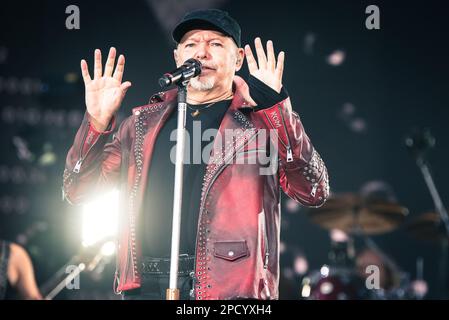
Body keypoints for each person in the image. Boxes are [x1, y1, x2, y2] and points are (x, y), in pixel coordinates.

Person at [62, 8, 329, 300]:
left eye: (215, 44)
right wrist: (96, 124)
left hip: (227, 286)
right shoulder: (141, 124)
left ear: (238, 58)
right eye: (191, 45)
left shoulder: (263, 122)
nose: (201, 53)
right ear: (178, 58)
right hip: (145, 286)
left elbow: (313, 190)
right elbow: (78, 191)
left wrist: (277, 110)